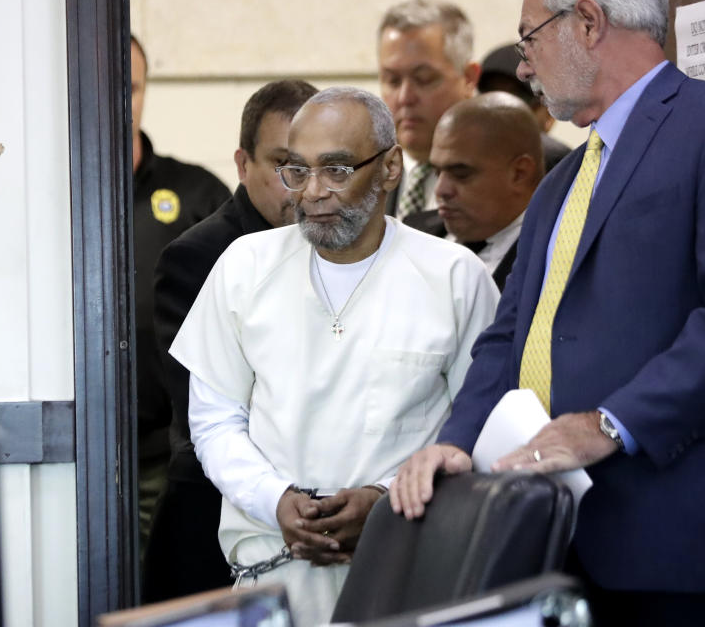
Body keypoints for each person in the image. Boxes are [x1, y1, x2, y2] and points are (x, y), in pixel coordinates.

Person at [390, 0, 705, 625]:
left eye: (529, 39)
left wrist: (610, 422)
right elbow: (509, 336)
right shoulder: (561, 182)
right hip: (553, 541)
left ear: (587, 22)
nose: (524, 66)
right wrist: (457, 441)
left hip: (680, 528)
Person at [168, 87, 499, 626]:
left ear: (390, 168)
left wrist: (386, 499)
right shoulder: (244, 267)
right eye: (296, 171)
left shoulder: (455, 278)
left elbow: (478, 430)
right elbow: (213, 420)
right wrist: (274, 499)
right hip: (271, 575)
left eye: (337, 170)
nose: (313, 192)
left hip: (408, 572)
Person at [142, 79, 318, 602]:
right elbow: (209, 411)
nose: (304, 186)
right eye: (286, 165)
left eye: (317, 166)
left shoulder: (332, 243)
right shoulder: (197, 257)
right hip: (213, 514)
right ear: (243, 166)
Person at [130, 34, 229, 552]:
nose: (120, 103)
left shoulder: (196, 193)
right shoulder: (49, 190)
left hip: (175, 451)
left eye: (132, 87)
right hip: (78, 446)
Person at [376, 0, 480, 229]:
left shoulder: (497, 178)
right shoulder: (367, 178)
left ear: (469, 78)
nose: (405, 97)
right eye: (392, 80)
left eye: (424, 79)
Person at [429, 92, 544, 290]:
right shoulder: (412, 233)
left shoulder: (558, 258)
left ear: (519, 173)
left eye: (461, 174)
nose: (441, 190)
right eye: (437, 172)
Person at [477, 43, 571, 173]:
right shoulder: (460, 155)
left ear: (549, 115)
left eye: (516, 102)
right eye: (488, 99)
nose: (497, 114)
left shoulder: (566, 169)